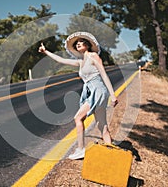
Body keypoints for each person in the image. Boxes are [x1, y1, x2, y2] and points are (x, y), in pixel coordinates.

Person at [38, 31, 118, 160]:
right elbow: (61, 60)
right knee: (102, 126)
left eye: (81, 42)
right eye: (76, 44)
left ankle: (81, 149)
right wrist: (46, 51)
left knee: (78, 118)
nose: (78, 44)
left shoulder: (93, 56)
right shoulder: (81, 61)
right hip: (92, 92)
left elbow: (104, 74)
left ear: (87, 45)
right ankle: (110, 156)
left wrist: (113, 95)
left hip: (98, 91)